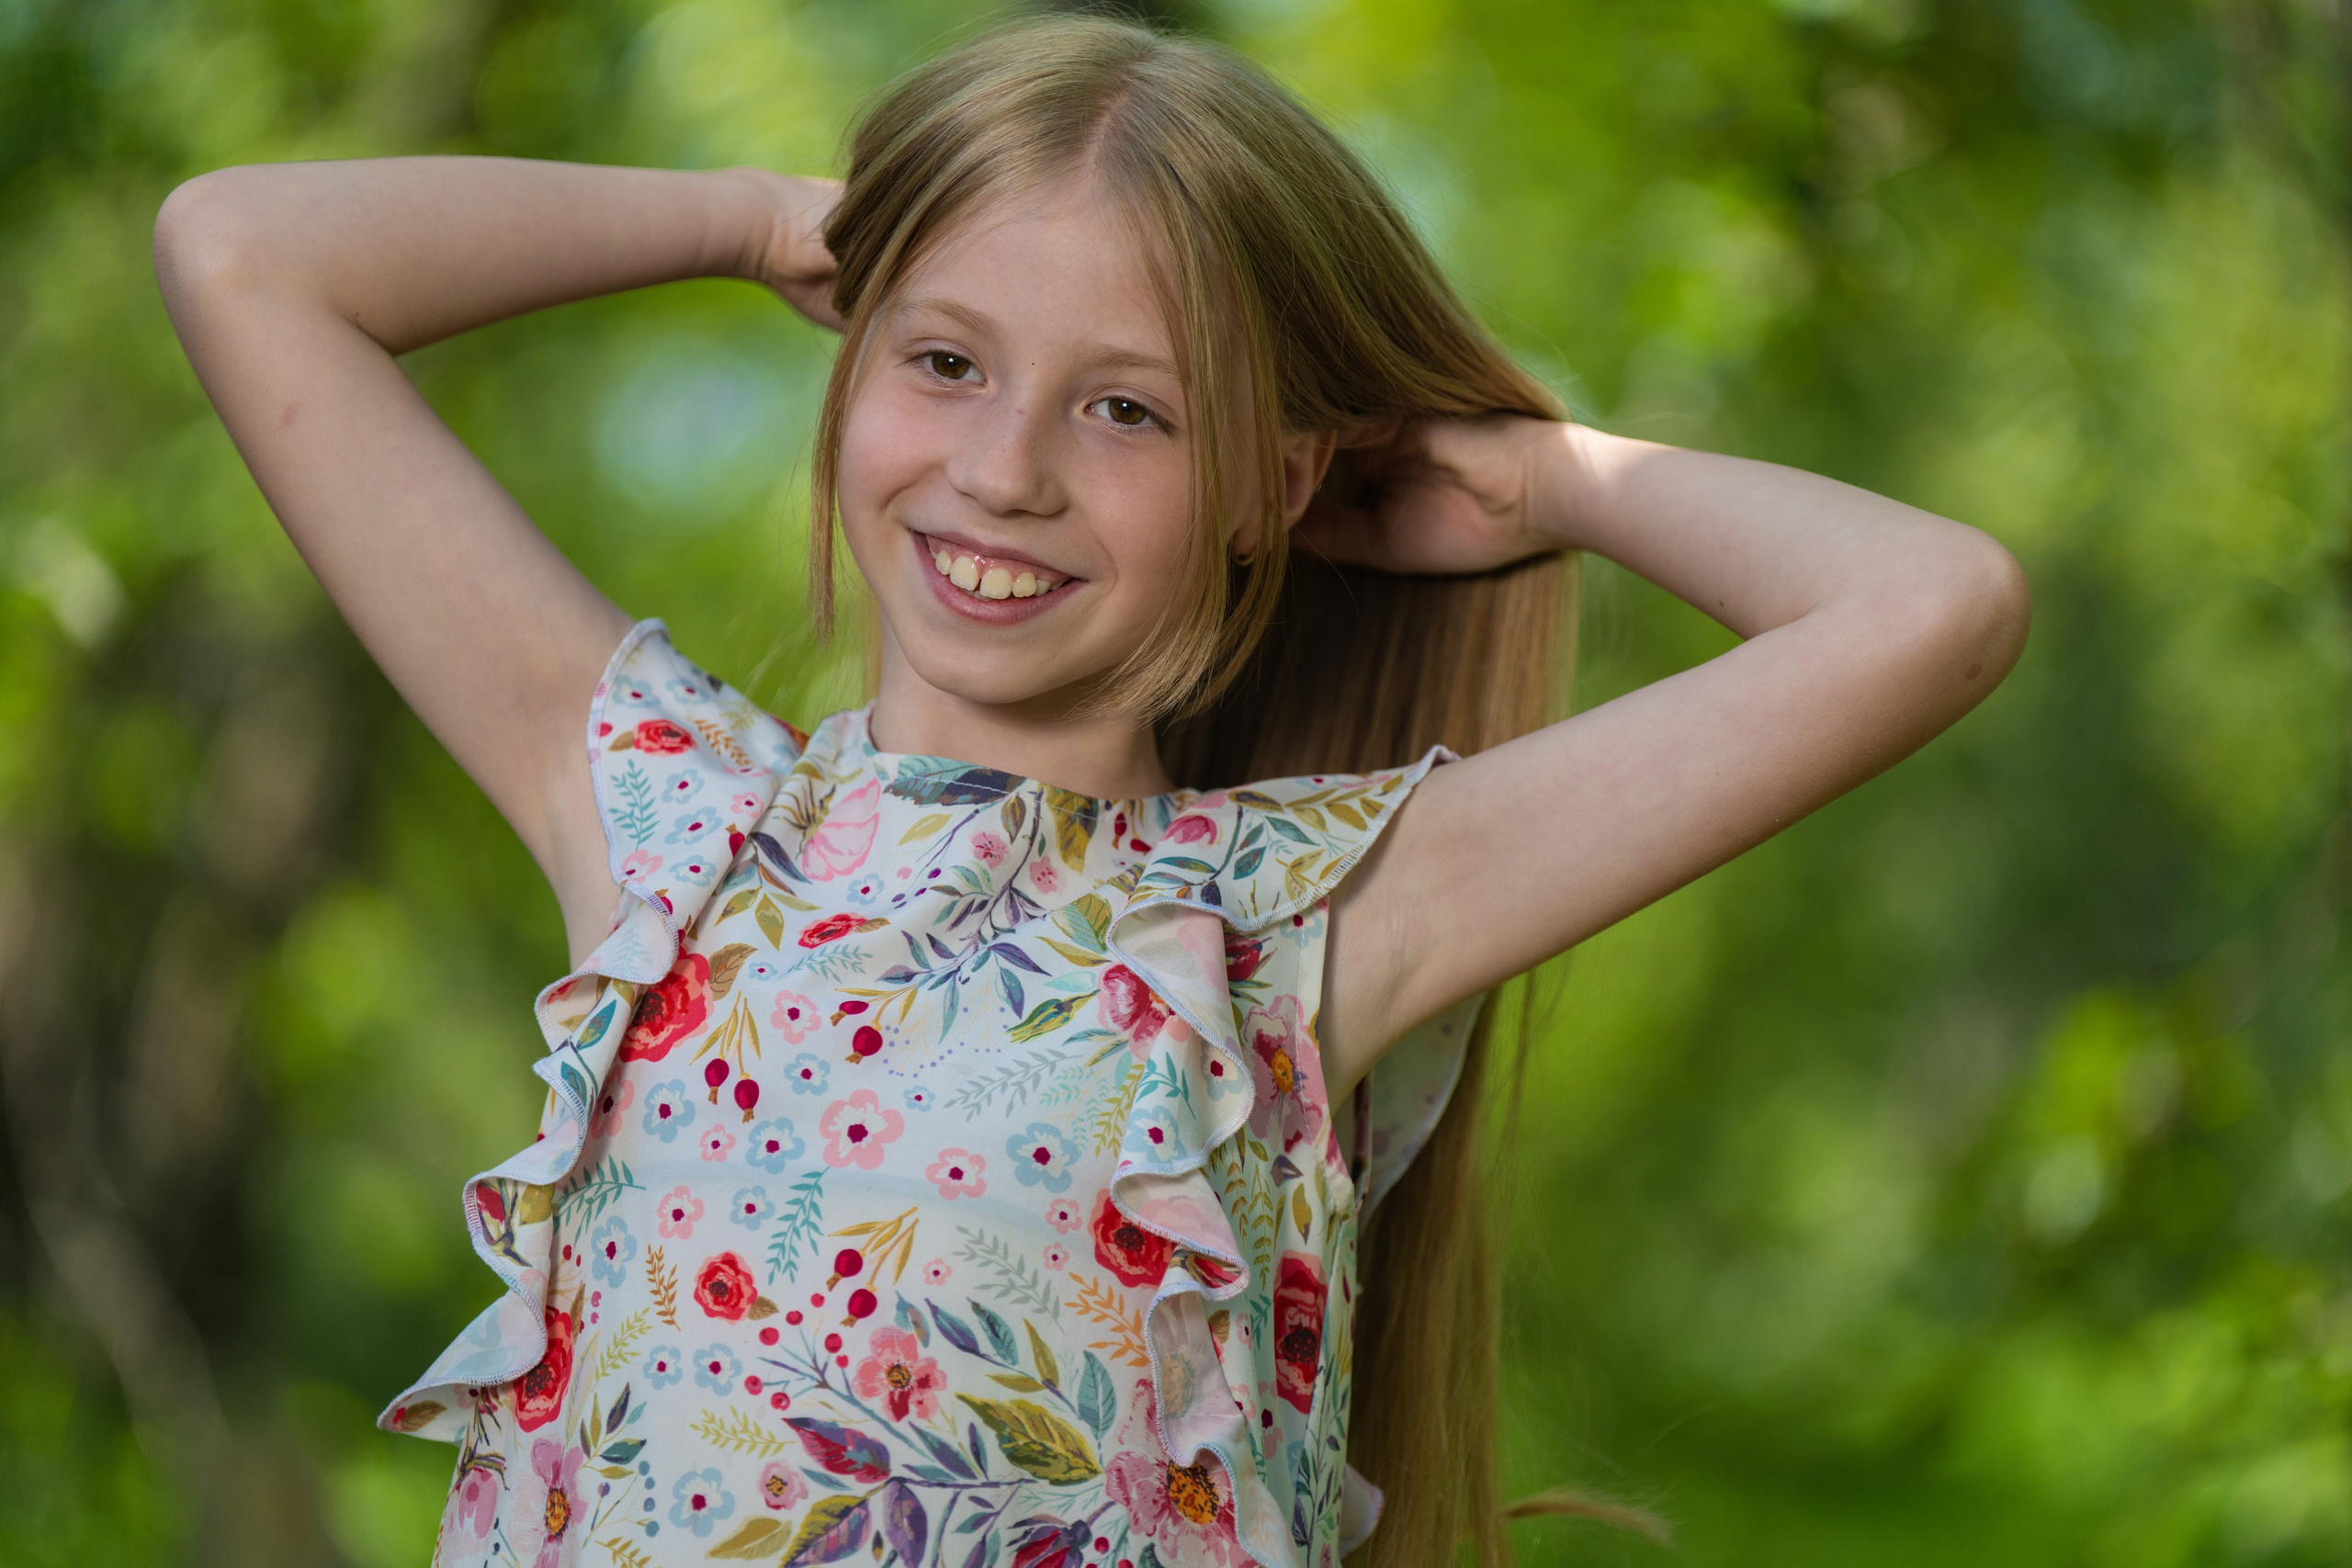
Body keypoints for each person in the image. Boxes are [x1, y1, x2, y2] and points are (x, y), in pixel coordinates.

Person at [153, 17, 2028, 1568]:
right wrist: (757, 219)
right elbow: (241, 249)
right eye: (944, 359)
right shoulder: (663, 816)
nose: (1007, 466)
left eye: (1127, 407)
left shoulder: (1306, 913)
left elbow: (1930, 606)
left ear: (1269, 483)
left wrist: (1544, 489)